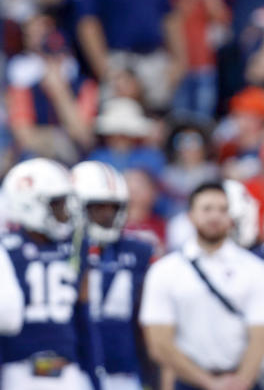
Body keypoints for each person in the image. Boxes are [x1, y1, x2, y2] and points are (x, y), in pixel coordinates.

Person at [139, 182, 264, 390]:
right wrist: (209, 383)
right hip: (189, 381)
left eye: (222, 209)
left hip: (242, 381)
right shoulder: (165, 270)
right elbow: (159, 343)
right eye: (207, 209)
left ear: (231, 217)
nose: (215, 216)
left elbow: (262, 335)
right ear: (190, 216)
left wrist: (241, 382)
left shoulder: (255, 269)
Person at [0, 158, 103, 389]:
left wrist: (94, 376)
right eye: (57, 204)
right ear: (28, 203)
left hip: (68, 369)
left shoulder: (77, 246)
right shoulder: (6, 250)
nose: (65, 212)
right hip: (18, 370)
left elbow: (83, 317)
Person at [73, 160, 154, 390]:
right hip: (74, 369)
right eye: (98, 207)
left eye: (113, 207)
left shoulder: (140, 251)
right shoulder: (61, 251)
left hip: (123, 370)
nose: (107, 215)